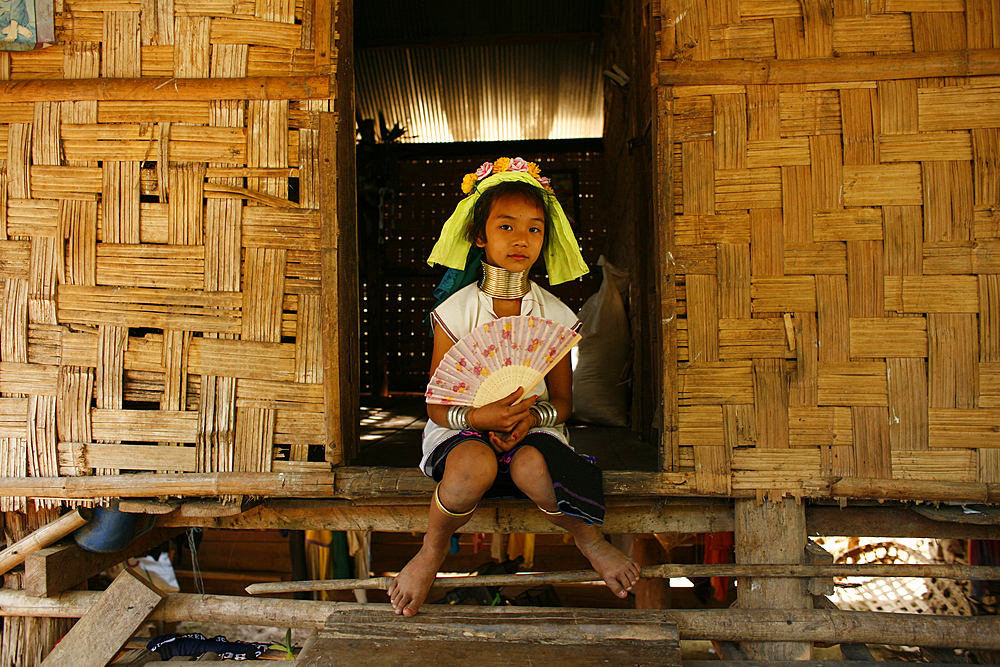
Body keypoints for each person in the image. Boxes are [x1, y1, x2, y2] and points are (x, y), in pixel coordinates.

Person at [387, 157, 640, 617]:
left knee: (534, 469)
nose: (522, 239)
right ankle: (431, 549)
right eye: (506, 226)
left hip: (533, 432)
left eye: (535, 228)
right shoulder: (457, 312)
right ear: (479, 237)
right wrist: (479, 419)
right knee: (472, 465)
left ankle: (590, 541)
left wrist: (530, 419)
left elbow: (563, 403)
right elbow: (436, 404)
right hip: (463, 431)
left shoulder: (555, 317)